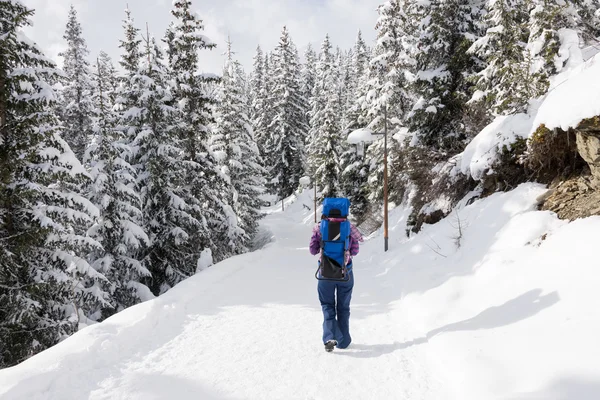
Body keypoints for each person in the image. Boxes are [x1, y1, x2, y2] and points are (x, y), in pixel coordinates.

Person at [309, 207, 363, 352]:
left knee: (327, 305)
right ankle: (343, 341)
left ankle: (329, 336)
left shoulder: (320, 227)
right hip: (345, 273)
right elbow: (356, 250)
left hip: (325, 274)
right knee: (343, 307)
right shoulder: (349, 228)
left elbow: (312, 250)